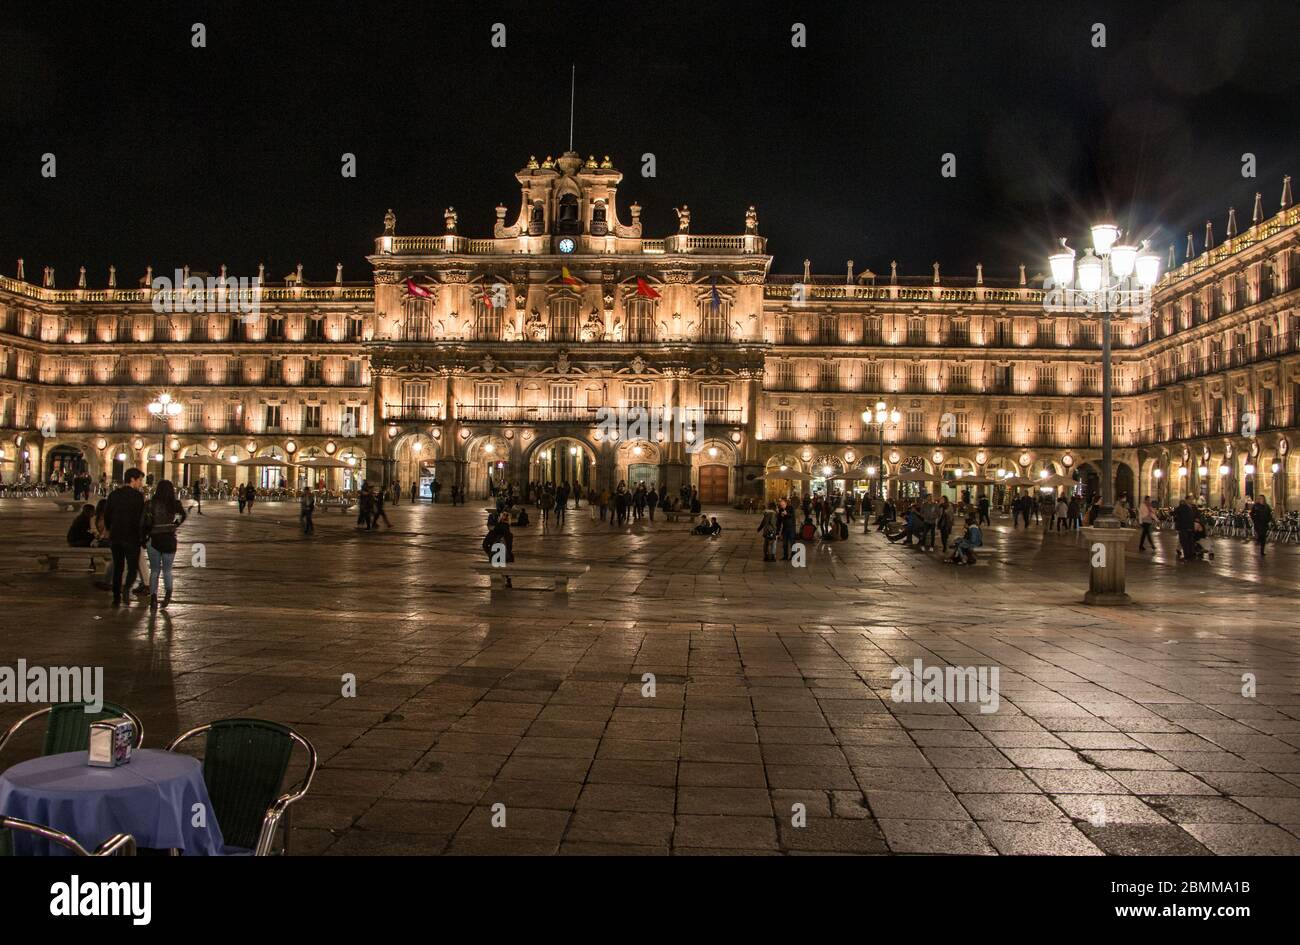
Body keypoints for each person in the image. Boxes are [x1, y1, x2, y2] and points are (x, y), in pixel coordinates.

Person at [104, 468, 146, 607]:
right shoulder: (138, 496)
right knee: (132, 568)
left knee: (118, 567)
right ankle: (127, 589)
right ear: (132, 479)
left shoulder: (114, 494)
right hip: (132, 537)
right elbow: (141, 518)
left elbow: (107, 515)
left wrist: (110, 529)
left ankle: (116, 597)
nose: (141, 483)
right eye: (140, 480)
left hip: (116, 536)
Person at [143, 479, 187, 608]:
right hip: (169, 538)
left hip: (154, 538)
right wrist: (174, 525)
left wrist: (144, 536)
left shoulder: (150, 504)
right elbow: (183, 516)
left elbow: (144, 522)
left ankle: (153, 598)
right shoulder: (175, 503)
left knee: (155, 570)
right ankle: (168, 596)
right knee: (167, 570)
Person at [482, 512, 514, 587]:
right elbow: (509, 548)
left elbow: (484, 545)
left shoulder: (492, 532)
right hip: (505, 559)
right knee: (510, 557)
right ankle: (508, 580)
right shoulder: (509, 534)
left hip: (494, 559)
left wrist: (489, 552)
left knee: (496, 561)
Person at [1173, 495, 1200, 562]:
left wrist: (1197, 521)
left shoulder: (1194, 507)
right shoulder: (1182, 507)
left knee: (1189, 542)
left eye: (1192, 499)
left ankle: (1190, 555)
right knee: (1184, 542)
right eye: (1190, 499)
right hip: (1183, 527)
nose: (1192, 501)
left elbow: (1197, 516)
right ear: (1186, 500)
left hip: (1190, 527)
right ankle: (1187, 556)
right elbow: (1174, 513)